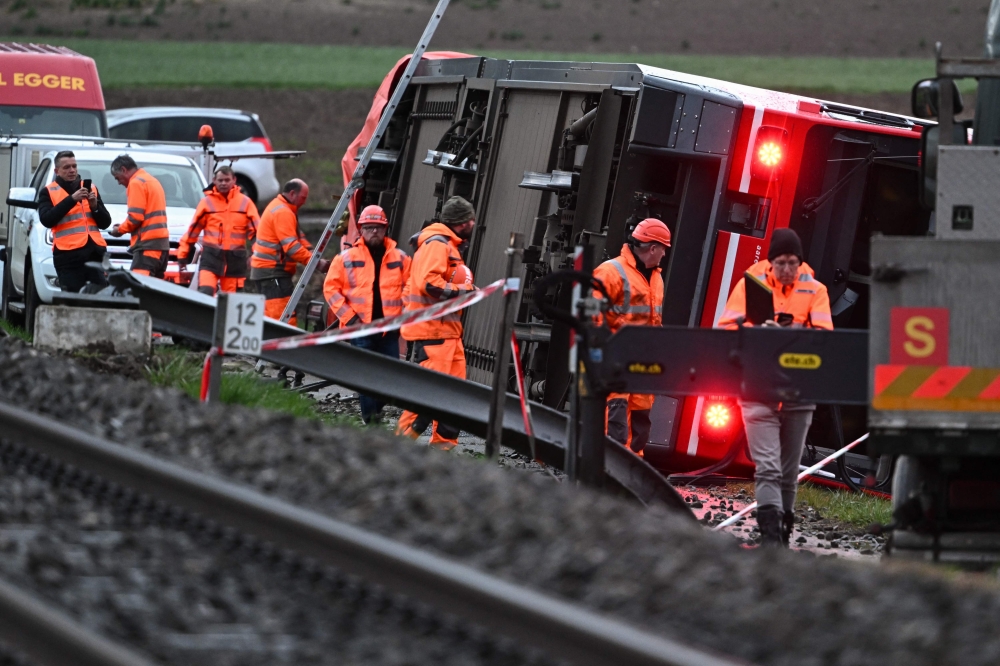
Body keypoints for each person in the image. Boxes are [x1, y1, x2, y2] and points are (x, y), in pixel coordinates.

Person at [717, 227, 833, 547]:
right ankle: (770, 540)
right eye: (780, 262)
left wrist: (789, 335)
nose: (786, 270)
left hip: (798, 389)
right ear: (770, 263)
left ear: (800, 262)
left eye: (792, 262)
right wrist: (759, 332)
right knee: (768, 467)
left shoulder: (816, 290)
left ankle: (782, 533)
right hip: (756, 387)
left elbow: (825, 338)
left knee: (788, 469)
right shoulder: (750, 285)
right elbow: (726, 329)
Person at [396, 196, 477, 450]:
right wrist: (464, 291)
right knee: (426, 396)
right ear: (460, 222)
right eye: (470, 219)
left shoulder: (448, 245)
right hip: (434, 334)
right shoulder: (437, 245)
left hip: (448, 334)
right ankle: (398, 446)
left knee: (453, 396)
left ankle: (443, 449)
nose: (473, 223)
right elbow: (430, 284)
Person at [324, 204, 410, 424]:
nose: (374, 231)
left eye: (378, 227)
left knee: (390, 377)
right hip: (360, 328)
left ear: (385, 229)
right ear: (360, 229)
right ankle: (370, 421)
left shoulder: (400, 258)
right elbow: (331, 290)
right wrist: (350, 318)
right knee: (365, 376)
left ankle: (375, 413)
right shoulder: (345, 258)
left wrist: (404, 316)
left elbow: (411, 287)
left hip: (388, 330)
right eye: (369, 227)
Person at [593, 218, 670, 454]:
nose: (665, 255)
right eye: (664, 249)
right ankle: (610, 477)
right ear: (653, 248)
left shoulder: (656, 278)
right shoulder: (610, 271)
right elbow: (591, 317)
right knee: (615, 425)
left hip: (642, 368)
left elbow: (653, 321)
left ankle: (629, 477)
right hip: (616, 364)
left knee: (639, 428)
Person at [249, 179, 330, 325]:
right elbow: (292, 247)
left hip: (270, 272)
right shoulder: (283, 212)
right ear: (293, 194)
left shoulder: (283, 208)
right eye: (303, 198)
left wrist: (311, 251)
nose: (304, 202)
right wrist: (317, 263)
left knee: (274, 315)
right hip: (272, 273)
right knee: (282, 319)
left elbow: (298, 237)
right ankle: (285, 347)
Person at [177, 166, 260, 296]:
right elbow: (193, 231)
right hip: (211, 258)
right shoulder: (206, 203)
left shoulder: (245, 203)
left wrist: (256, 256)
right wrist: (182, 255)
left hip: (235, 261)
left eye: (227, 180)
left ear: (234, 180)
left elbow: (257, 234)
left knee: (231, 301)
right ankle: (204, 317)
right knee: (205, 292)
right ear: (214, 180)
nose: (223, 183)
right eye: (220, 180)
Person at [37, 151, 112, 293]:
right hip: (68, 256)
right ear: (57, 171)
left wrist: (95, 206)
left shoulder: (91, 188)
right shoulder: (49, 191)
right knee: (72, 300)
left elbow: (105, 223)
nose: (71, 170)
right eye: (66, 167)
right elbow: (47, 219)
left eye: (74, 166)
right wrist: (72, 200)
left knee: (100, 299)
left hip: (94, 253)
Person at [107, 155, 170, 278]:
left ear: (124, 170)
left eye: (117, 178)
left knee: (138, 290)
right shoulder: (151, 180)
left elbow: (135, 218)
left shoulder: (136, 183)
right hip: (162, 248)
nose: (119, 182)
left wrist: (119, 230)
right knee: (154, 293)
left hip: (147, 247)